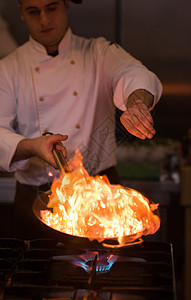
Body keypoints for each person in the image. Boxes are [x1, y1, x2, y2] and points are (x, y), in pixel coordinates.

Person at [0, 0, 162, 239]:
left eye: (51, 8)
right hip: (35, 199)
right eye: (33, 12)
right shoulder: (8, 68)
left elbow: (133, 72)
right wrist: (31, 146)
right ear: (21, 13)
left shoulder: (98, 52)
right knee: (32, 274)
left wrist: (136, 102)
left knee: (107, 273)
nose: (44, 20)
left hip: (102, 193)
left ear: (67, 4)